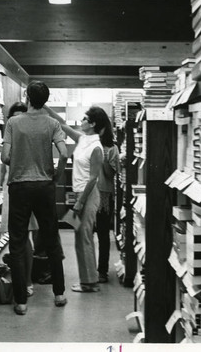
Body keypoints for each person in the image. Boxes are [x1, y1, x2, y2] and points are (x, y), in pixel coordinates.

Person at [1, 81, 68, 315]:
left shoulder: (13, 122)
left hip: (19, 186)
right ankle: (59, 293)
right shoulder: (52, 123)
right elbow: (64, 153)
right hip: (44, 186)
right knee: (51, 238)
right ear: (47, 100)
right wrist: (55, 177)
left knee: (18, 242)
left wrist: (19, 161)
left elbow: (5, 156)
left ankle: (21, 301)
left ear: (27, 97)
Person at [44, 105, 111, 292]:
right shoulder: (82, 139)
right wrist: (45, 107)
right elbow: (62, 124)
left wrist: (80, 201)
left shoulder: (96, 147)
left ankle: (90, 282)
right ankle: (86, 280)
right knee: (80, 236)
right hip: (81, 193)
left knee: (85, 237)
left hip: (88, 195)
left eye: (85, 118)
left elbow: (93, 178)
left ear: (93, 124)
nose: (81, 121)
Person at [0, 101, 38, 297]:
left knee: (24, 238)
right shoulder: (8, 138)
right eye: (13, 117)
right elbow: (2, 167)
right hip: (10, 190)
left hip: (27, 191)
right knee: (17, 238)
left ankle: (27, 280)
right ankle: (20, 279)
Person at [95, 118, 120, 283]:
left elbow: (111, 175)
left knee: (103, 235)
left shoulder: (112, 149)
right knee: (85, 233)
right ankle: (89, 270)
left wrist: (102, 156)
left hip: (104, 196)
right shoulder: (89, 145)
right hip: (89, 193)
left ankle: (102, 271)